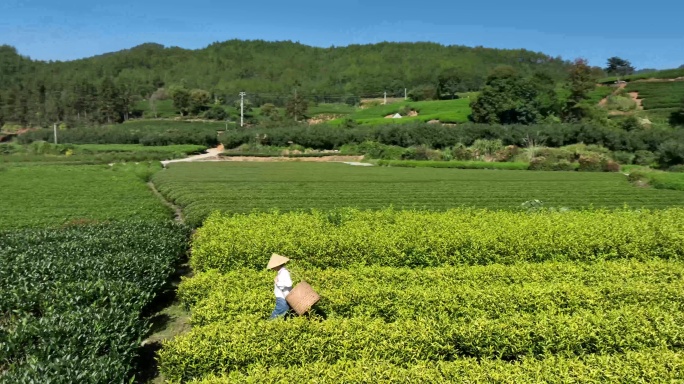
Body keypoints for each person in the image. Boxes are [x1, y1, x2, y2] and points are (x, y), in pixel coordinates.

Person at [267, 253, 292, 319]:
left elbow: (289, 284)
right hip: (282, 297)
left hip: (283, 297)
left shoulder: (284, 272)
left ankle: (268, 325)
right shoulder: (281, 272)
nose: (272, 268)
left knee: (280, 311)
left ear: (277, 265)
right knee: (281, 311)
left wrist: (277, 282)